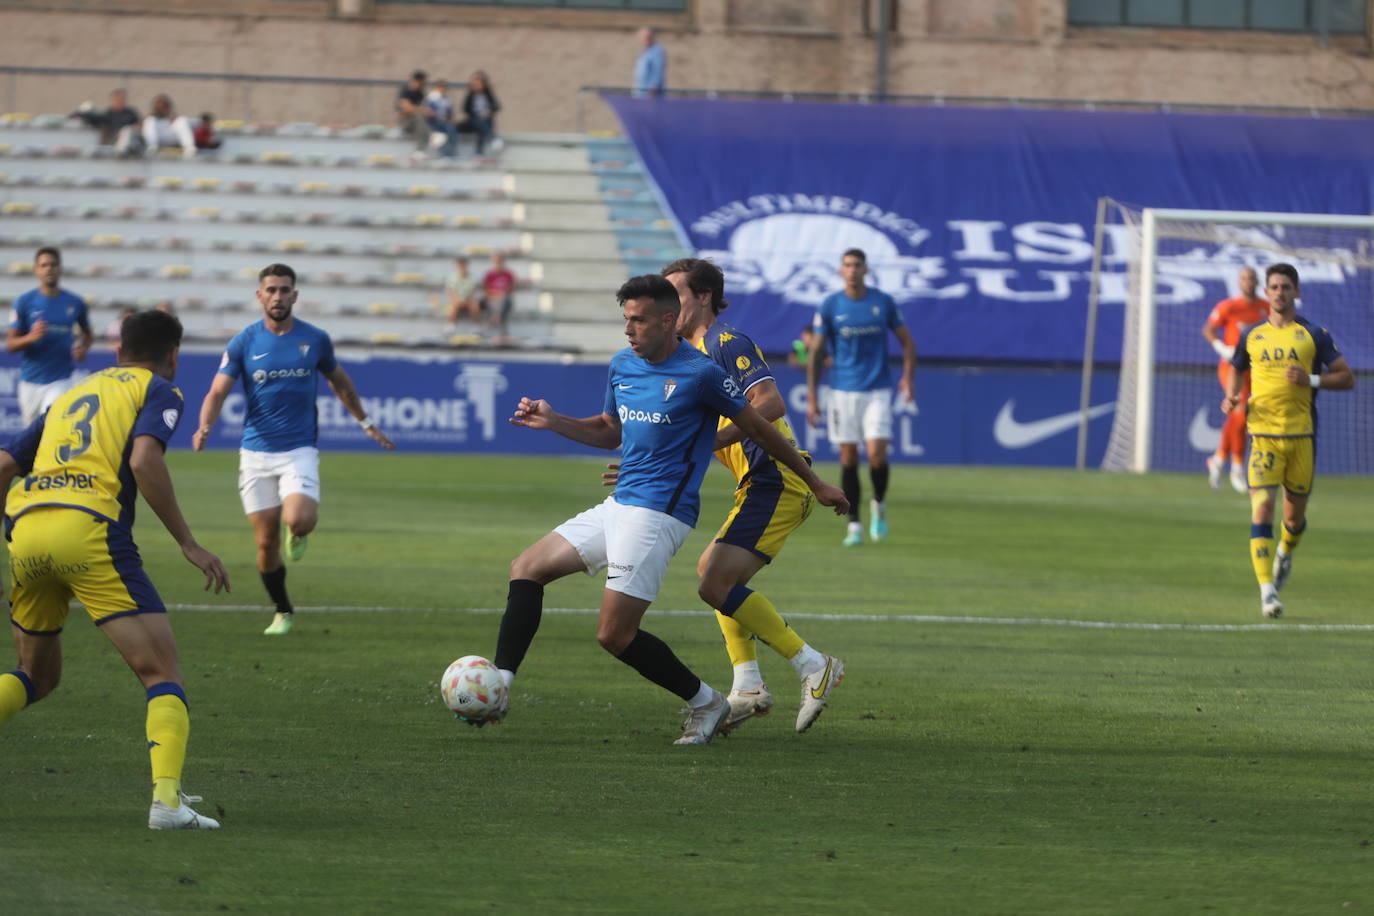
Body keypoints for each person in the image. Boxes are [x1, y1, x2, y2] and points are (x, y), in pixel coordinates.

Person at [486, 275, 847, 745]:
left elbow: (761, 426)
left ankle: (707, 702)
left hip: (657, 516)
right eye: (626, 319)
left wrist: (815, 482)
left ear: (667, 320)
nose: (628, 329)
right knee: (526, 568)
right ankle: (498, 685)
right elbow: (609, 431)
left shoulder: (702, 373)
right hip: (619, 504)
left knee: (615, 635)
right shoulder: (622, 365)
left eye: (638, 320)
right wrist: (555, 421)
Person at [0, 309, 231, 830]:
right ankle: (167, 803)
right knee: (162, 674)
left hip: (28, 530)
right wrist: (188, 543)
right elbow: (144, 461)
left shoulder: (71, 395)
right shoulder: (158, 389)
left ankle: (169, 802)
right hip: (88, 529)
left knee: (35, 675)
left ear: (117, 349)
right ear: (173, 355)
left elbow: (4, 465)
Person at [659, 258, 846, 733]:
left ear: (704, 297)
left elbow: (770, 402)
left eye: (675, 295)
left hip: (776, 477)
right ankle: (747, 686)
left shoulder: (726, 342)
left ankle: (812, 664)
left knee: (714, 583)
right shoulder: (687, 358)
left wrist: (711, 440)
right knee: (710, 572)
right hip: (758, 481)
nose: (667, 307)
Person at [191, 264, 395, 636]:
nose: (278, 296)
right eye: (271, 290)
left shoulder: (314, 339)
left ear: (295, 295)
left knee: (299, 519)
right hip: (255, 454)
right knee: (265, 543)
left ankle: (298, 531)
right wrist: (205, 424)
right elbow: (217, 391)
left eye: (284, 290)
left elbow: (341, 384)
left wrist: (366, 423)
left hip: (298, 449)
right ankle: (283, 610)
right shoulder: (243, 342)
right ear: (259, 296)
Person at [1222, 263, 1353, 619]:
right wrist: (1232, 395)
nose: (1279, 292)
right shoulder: (1252, 335)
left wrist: (1311, 381)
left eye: (1285, 287)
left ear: (1296, 292)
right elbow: (1237, 367)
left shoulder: (1313, 335)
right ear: (1266, 293)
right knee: (1262, 507)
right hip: (1263, 436)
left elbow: (1346, 377)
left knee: (1294, 520)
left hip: (1301, 438)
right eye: (1274, 287)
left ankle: (1285, 551)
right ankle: (1267, 591)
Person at [805, 248, 917, 547]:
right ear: (841, 271)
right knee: (848, 457)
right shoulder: (830, 305)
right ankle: (853, 523)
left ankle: (879, 503)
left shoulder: (882, 301)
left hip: (877, 388)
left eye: (857, 265)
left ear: (866, 270)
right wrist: (813, 397)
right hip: (842, 391)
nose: (852, 269)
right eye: (847, 265)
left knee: (877, 454)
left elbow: (907, 342)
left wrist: (908, 377)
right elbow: (816, 352)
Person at [7, 247, 93, 425]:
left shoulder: (75, 302)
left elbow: (87, 333)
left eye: (53, 264)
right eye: (44, 265)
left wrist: (83, 348)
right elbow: (11, 344)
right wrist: (30, 337)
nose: (49, 269)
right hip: (30, 381)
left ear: (60, 268)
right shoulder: (24, 302)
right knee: (31, 434)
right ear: (36, 270)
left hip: (61, 379)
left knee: (52, 422)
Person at [1202, 267, 1268, 493]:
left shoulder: (1265, 308)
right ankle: (1237, 469)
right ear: (1239, 282)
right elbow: (1208, 329)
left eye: (1252, 278)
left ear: (1257, 282)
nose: (1248, 282)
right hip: (1231, 368)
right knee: (1239, 412)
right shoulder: (1228, 307)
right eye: (1244, 279)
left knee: (1241, 416)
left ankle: (1219, 459)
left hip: (1256, 369)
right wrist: (1223, 348)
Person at [72, 88, 143, 155]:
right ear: (113, 100)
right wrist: (79, 115)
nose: (120, 101)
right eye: (118, 99)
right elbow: (94, 118)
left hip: (130, 144)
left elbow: (138, 125)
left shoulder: (130, 113)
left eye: (122, 99)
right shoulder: (108, 114)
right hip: (113, 144)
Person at [457, 70, 501, 155]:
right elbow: (465, 109)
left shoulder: (488, 94)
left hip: (485, 120)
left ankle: (479, 152)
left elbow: (496, 106)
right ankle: (493, 138)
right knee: (478, 121)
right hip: (473, 120)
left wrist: (488, 112)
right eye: (475, 83)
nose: (477, 85)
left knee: (482, 125)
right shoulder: (470, 94)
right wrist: (476, 114)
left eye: (479, 83)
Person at [141, 94, 196, 158]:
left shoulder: (171, 117)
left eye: (164, 107)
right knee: (150, 121)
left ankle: (189, 149)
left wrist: (171, 120)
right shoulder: (151, 120)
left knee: (182, 120)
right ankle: (152, 149)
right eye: (160, 107)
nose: (162, 109)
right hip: (158, 140)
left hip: (170, 137)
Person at [396, 70, 435, 155]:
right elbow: (406, 108)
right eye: (422, 83)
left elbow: (422, 109)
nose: (423, 85)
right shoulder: (405, 90)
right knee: (419, 117)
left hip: (416, 121)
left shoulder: (420, 93)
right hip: (405, 122)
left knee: (424, 117)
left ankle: (429, 141)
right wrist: (420, 109)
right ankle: (420, 150)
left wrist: (425, 111)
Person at [480, 251, 516, 338]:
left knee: (504, 300)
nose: (498, 263)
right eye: (496, 261)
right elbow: (486, 291)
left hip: (503, 300)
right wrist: (498, 294)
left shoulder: (508, 274)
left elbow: (510, 290)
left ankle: (495, 320)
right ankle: (499, 324)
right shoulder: (489, 275)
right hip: (492, 299)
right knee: (487, 301)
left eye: (500, 261)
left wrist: (499, 294)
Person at [443, 255, 483, 328]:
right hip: (456, 300)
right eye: (460, 265)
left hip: (468, 300)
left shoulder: (472, 278)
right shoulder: (452, 277)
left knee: (475, 305)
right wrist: (458, 299)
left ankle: (476, 325)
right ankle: (450, 325)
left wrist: (465, 300)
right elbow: (450, 292)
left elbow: (473, 292)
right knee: (452, 306)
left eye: (463, 265)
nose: (462, 267)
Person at [422, 79, 459, 158]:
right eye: (440, 87)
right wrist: (435, 115)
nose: (442, 89)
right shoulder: (431, 98)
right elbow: (428, 112)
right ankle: (442, 153)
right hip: (434, 122)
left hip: (444, 122)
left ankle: (451, 153)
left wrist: (451, 119)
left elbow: (450, 113)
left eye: (443, 87)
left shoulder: (447, 99)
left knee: (452, 130)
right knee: (440, 135)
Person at [632, 27, 666, 98]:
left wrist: (652, 90)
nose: (645, 39)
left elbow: (658, 72)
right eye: (642, 37)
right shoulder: (645, 52)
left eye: (647, 37)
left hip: (651, 94)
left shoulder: (657, 52)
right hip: (641, 93)